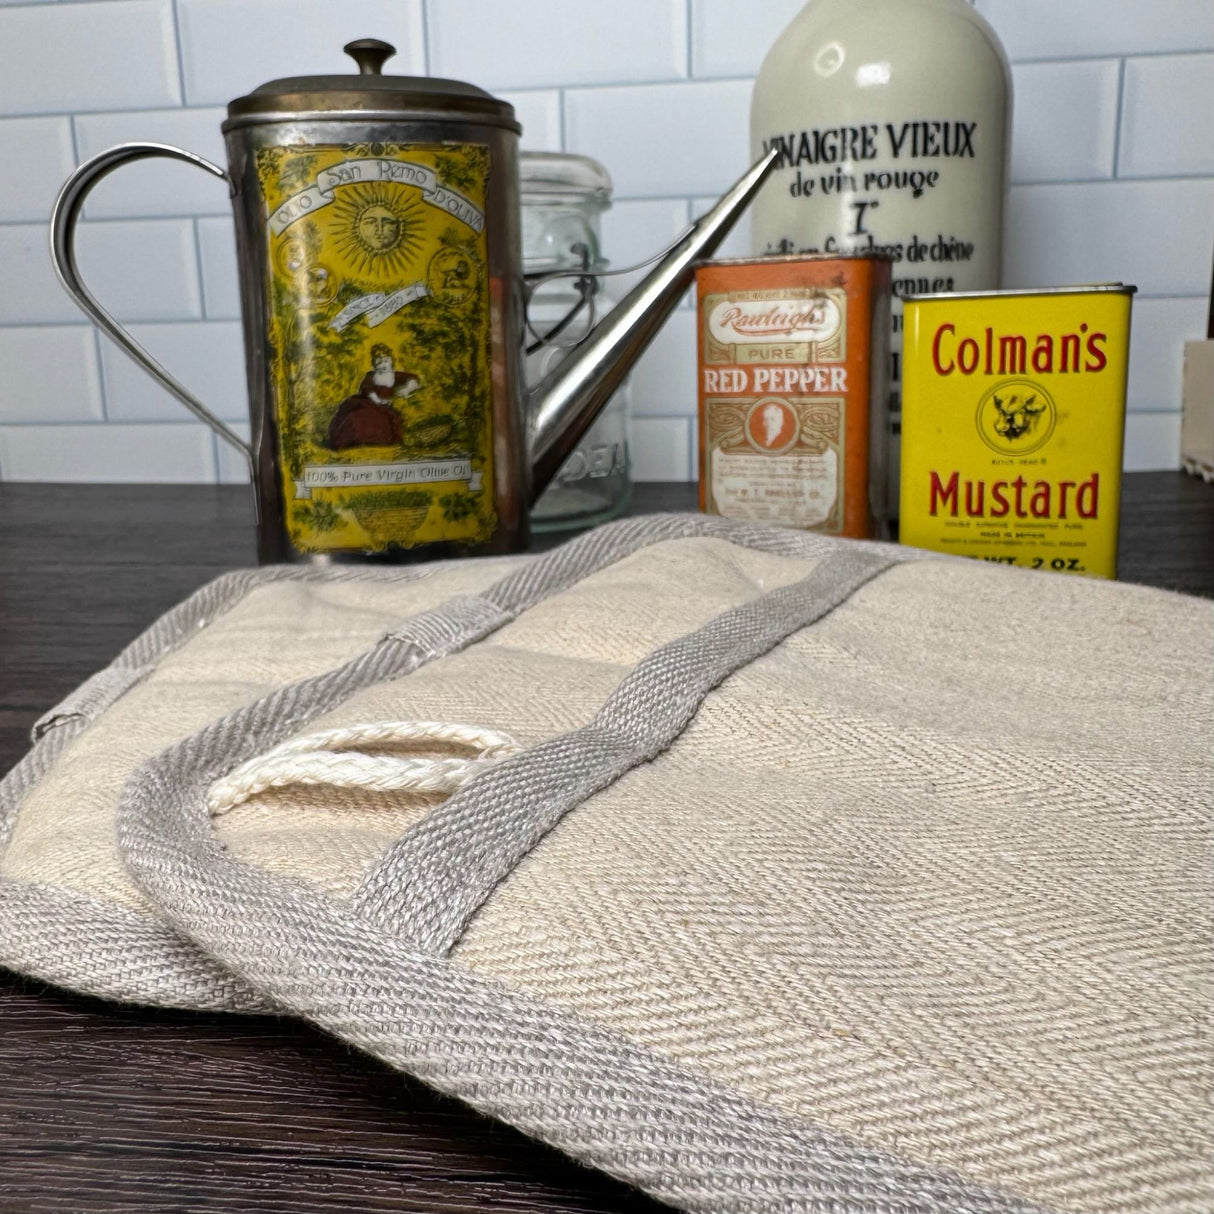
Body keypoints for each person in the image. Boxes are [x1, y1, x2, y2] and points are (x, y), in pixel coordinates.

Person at [328, 346, 421, 450]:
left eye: (385, 361)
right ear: (374, 365)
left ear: (391, 361)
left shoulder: (395, 375)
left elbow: (413, 379)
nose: (383, 365)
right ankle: (349, 440)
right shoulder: (371, 375)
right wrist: (377, 399)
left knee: (380, 421)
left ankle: (370, 441)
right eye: (379, 363)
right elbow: (366, 388)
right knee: (357, 416)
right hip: (367, 402)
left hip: (384, 408)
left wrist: (407, 388)